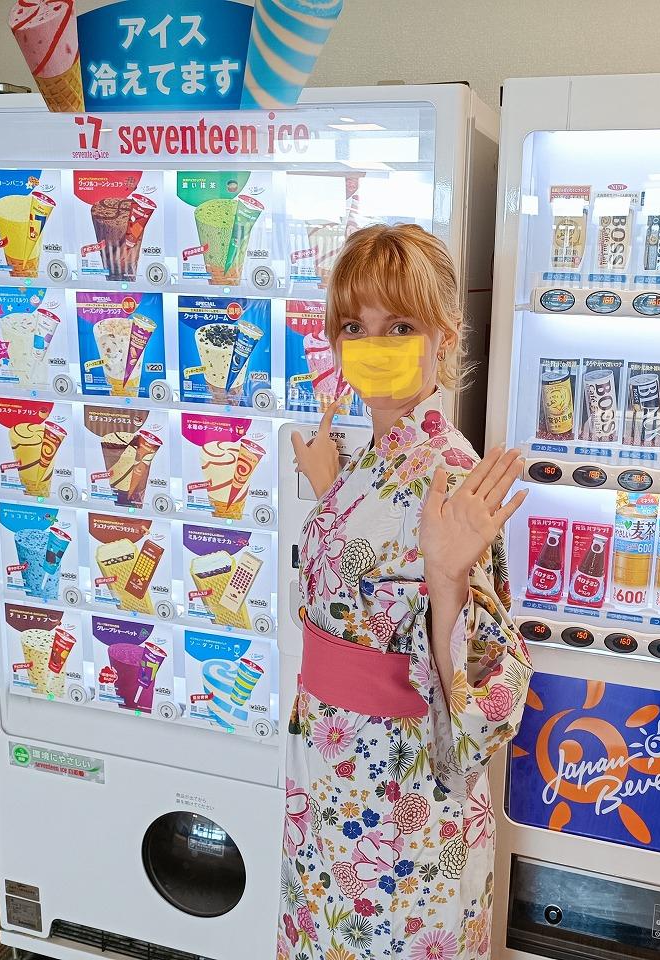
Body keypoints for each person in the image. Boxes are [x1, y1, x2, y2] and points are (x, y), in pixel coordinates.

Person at [280, 223, 533, 960]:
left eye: (399, 326)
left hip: (399, 789)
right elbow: (360, 592)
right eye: (353, 326)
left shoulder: (450, 475)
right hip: (332, 768)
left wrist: (450, 577)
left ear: (444, 337)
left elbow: (489, 700)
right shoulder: (370, 458)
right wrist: (331, 491)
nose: (373, 343)